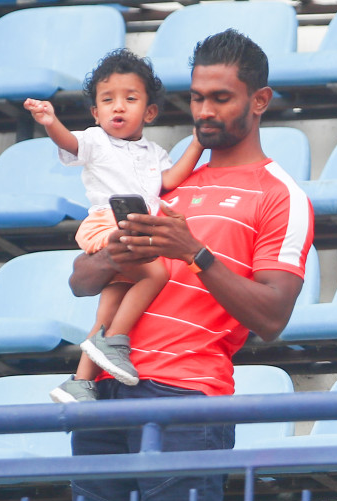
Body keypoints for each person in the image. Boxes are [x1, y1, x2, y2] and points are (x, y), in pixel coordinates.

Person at [49, 30, 312, 501]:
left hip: (189, 393)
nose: (204, 111)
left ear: (259, 101)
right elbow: (80, 278)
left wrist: (194, 251)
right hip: (108, 391)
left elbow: (271, 315)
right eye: (196, 97)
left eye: (221, 98)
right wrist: (121, 246)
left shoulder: (279, 194)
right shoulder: (157, 173)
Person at [24, 50, 205, 404]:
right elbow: (69, 142)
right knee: (156, 275)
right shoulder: (95, 140)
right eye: (108, 100)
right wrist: (50, 122)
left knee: (108, 308)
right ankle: (115, 341)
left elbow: (169, 179)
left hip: (137, 226)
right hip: (108, 224)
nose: (118, 107)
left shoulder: (155, 153)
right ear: (95, 112)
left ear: (150, 112)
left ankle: (79, 381)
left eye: (130, 99)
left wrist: (197, 144)